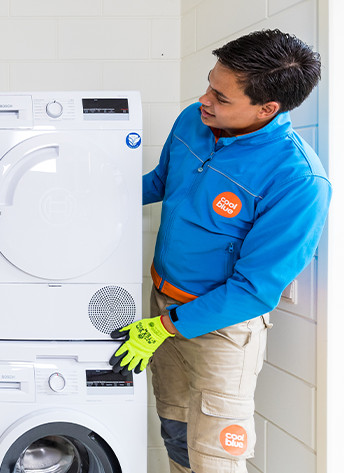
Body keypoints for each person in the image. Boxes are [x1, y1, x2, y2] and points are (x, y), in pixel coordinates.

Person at [108, 29, 331, 473]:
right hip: (162, 307)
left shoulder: (298, 181)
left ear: (268, 109)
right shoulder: (195, 119)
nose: (204, 99)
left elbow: (255, 290)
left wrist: (167, 327)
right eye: (210, 83)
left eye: (221, 97)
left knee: (216, 458)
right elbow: (161, 183)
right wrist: (95, 197)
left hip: (222, 333)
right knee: (175, 434)